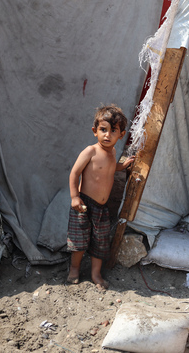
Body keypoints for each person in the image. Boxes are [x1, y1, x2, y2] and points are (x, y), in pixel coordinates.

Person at [66, 104, 134, 289]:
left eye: (113, 131)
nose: (107, 135)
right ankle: (74, 269)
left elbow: (110, 168)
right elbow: (74, 173)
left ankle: (96, 274)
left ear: (121, 135)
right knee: (79, 240)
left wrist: (124, 165)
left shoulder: (112, 153)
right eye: (103, 130)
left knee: (100, 241)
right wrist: (74, 197)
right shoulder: (91, 151)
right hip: (84, 204)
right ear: (95, 131)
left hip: (102, 208)